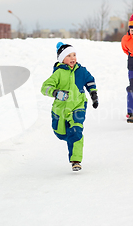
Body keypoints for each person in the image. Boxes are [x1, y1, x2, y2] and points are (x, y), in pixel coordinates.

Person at [41, 42, 98, 171]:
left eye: (74, 55)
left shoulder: (81, 71)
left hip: (78, 105)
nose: (73, 58)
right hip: (61, 108)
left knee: (76, 130)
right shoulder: (59, 73)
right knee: (60, 133)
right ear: (62, 59)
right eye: (68, 56)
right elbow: (44, 87)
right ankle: (71, 138)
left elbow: (90, 81)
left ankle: (76, 160)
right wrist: (55, 93)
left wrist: (93, 94)